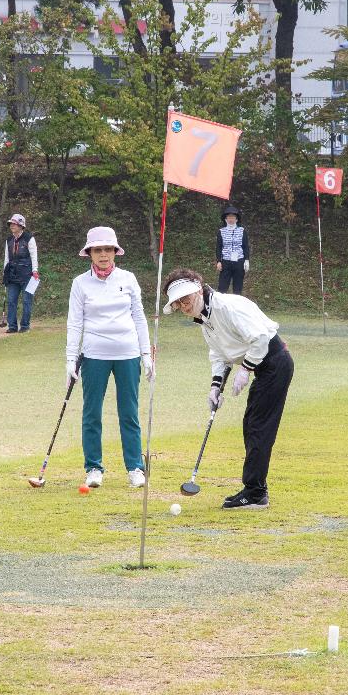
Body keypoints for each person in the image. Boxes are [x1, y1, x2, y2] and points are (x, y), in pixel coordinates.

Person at [162, 267, 292, 509]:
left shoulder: (227, 307)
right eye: (178, 303)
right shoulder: (205, 319)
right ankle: (256, 490)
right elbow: (219, 354)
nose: (184, 305)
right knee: (253, 425)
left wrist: (245, 369)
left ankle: (255, 494)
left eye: (186, 298)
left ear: (199, 290)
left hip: (274, 362)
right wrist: (215, 387)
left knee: (257, 427)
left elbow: (260, 339)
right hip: (263, 366)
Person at [66, 226, 153, 489]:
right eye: (98, 250)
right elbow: (74, 323)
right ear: (89, 253)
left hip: (128, 353)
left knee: (129, 413)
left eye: (108, 249)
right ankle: (93, 467)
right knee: (91, 413)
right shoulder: (80, 283)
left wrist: (146, 353)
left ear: (115, 252)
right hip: (94, 355)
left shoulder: (128, 278)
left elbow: (139, 317)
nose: (103, 254)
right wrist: (71, 359)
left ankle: (135, 468)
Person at [2, 213, 39, 334]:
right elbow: (7, 258)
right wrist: (5, 273)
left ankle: (25, 326)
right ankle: (12, 326)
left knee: (26, 301)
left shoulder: (29, 238)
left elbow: (34, 256)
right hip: (12, 275)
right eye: (11, 224)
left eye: (14, 224)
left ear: (21, 225)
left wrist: (35, 271)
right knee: (11, 300)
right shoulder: (9, 240)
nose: (12, 226)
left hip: (27, 275)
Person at [215, 204, 251, 294]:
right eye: (229, 217)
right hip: (226, 262)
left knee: (237, 287)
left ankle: (236, 305)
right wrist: (219, 261)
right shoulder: (221, 231)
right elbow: (219, 247)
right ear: (225, 219)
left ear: (236, 219)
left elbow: (245, 246)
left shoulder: (242, 231)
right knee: (222, 287)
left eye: (233, 217)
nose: (231, 219)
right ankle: (221, 306)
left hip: (239, 261)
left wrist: (246, 260)